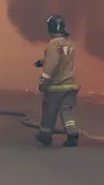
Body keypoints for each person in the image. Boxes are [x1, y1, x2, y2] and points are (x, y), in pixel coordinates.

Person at [34, 15, 80, 148]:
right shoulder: (69, 43)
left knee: (49, 110)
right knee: (68, 111)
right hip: (71, 84)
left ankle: (45, 136)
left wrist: (43, 81)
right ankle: (72, 135)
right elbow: (63, 60)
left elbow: (52, 65)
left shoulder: (53, 44)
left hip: (57, 86)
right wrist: (42, 62)